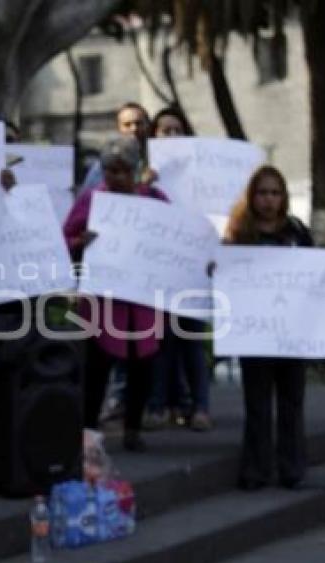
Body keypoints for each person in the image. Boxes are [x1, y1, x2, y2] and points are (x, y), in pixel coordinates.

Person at [63, 135, 168, 452]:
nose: (116, 178)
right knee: (96, 368)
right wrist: (81, 242)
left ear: (135, 170)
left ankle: (132, 428)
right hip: (102, 301)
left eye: (123, 171)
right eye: (110, 171)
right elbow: (64, 238)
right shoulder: (92, 200)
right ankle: (88, 430)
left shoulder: (154, 199)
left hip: (143, 301)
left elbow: (174, 240)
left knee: (142, 367)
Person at [222, 165, 312, 490]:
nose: (269, 200)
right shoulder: (239, 235)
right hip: (255, 334)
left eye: (275, 193)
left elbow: (313, 275)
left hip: (292, 334)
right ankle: (256, 470)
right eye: (263, 193)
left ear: (284, 197)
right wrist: (217, 268)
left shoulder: (297, 232)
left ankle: (291, 469)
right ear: (252, 196)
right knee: (257, 404)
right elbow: (226, 276)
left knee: (291, 403)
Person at [142, 106, 213, 432]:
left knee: (192, 341)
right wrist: (146, 184)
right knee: (160, 342)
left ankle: (199, 407)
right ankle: (158, 407)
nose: (170, 136)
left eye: (176, 130)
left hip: (193, 267)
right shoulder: (144, 175)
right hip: (157, 270)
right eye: (164, 130)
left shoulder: (201, 176)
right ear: (153, 136)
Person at [79, 102, 151, 194]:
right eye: (127, 124)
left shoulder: (157, 161)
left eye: (139, 123)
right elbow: (90, 198)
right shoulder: (103, 165)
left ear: (148, 126)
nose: (134, 128)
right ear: (119, 129)